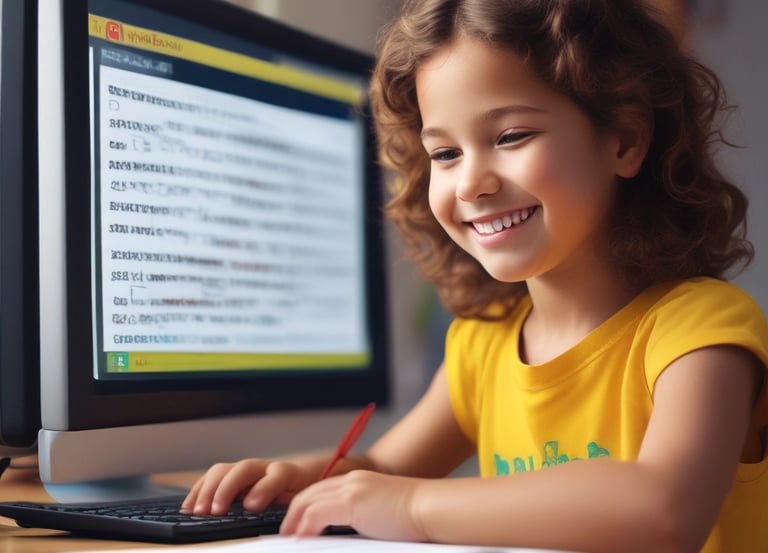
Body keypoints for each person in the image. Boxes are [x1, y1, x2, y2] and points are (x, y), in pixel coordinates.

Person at [182, 1, 768, 551]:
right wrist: (303, 476)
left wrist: (410, 507)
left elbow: (667, 511)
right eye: (444, 154)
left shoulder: (702, 329)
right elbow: (385, 471)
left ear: (626, 139)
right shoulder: (481, 343)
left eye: (510, 136)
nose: (470, 183)